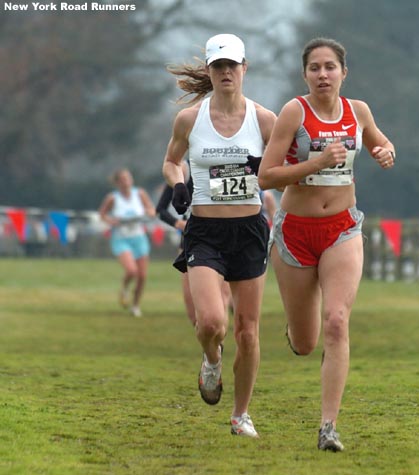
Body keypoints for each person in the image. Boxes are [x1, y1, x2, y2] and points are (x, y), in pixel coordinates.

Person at [257, 37, 396, 452]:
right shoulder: (293, 112)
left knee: (337, 321)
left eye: (330, 67)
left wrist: (386, 151)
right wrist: (316, 163)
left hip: (342, 228)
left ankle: (328, 427)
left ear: (343, 73)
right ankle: (297, 330)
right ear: (305, 75)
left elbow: (378, 142)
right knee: (305, 343)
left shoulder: (359, 111)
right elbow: (266, 175)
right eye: (315, 68)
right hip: (296, 232)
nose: (323, 74)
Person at [162, 33, 276, 438]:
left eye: (233, 65)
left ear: (245, 68)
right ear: (209, 71)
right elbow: (172, 161)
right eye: (218, 66)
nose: (226, 72)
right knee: (211, 322)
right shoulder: (190, 120)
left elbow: (282, 170)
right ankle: (211, 360)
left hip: (248, 230)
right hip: (205, 231)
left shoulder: (264, 120)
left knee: (248, 329)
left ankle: (240, 414)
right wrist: (177, 184)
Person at [155, 161, 232, 326]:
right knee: (193, 310)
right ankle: (209, 343)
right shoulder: (180, 175)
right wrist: (179, 224)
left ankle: (219, 343)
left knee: (223, 296)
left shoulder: (216, 169)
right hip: (190, 243)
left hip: (220, 239)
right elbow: (160, 210)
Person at [99, 168, 156, 318]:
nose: (126, 181)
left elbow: (151, 209)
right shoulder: (113, 198)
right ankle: (124, 289)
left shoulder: (140, 194)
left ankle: (135, 305)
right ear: (117, 183)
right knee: (132, 271)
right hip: (121, 238)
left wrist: (149, 213)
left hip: (139, 237)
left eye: (128, 178)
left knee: (142, 276)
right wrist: (111, 221)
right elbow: (102, 215)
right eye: (123, 179)